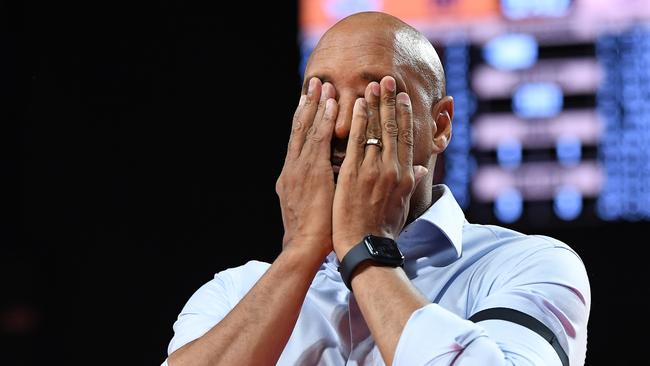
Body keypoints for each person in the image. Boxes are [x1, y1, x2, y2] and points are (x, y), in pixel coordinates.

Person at [162, 11, 590, 366]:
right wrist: (299, 254)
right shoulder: (235, 292)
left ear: (440, 126)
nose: (343, 125)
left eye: (374, 98)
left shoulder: (526, 265)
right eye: (322, 99)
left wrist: (366, 251)